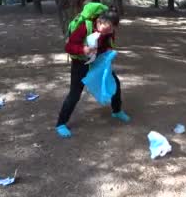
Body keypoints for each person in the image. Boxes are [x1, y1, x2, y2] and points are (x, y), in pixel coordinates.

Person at [55, 9, 131, 138]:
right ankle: (61, 123)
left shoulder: (108, 31)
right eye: (109, 28)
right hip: (80, 63)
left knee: (115, 83)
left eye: (113, 29)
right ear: (100, 21)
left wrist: (108, 52)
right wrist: (83, 49)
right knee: (75, 94)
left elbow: (106, 45)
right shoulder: (85, 27)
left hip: (98, 62)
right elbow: (68, 47)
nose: (110, 31)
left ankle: (116, 111)